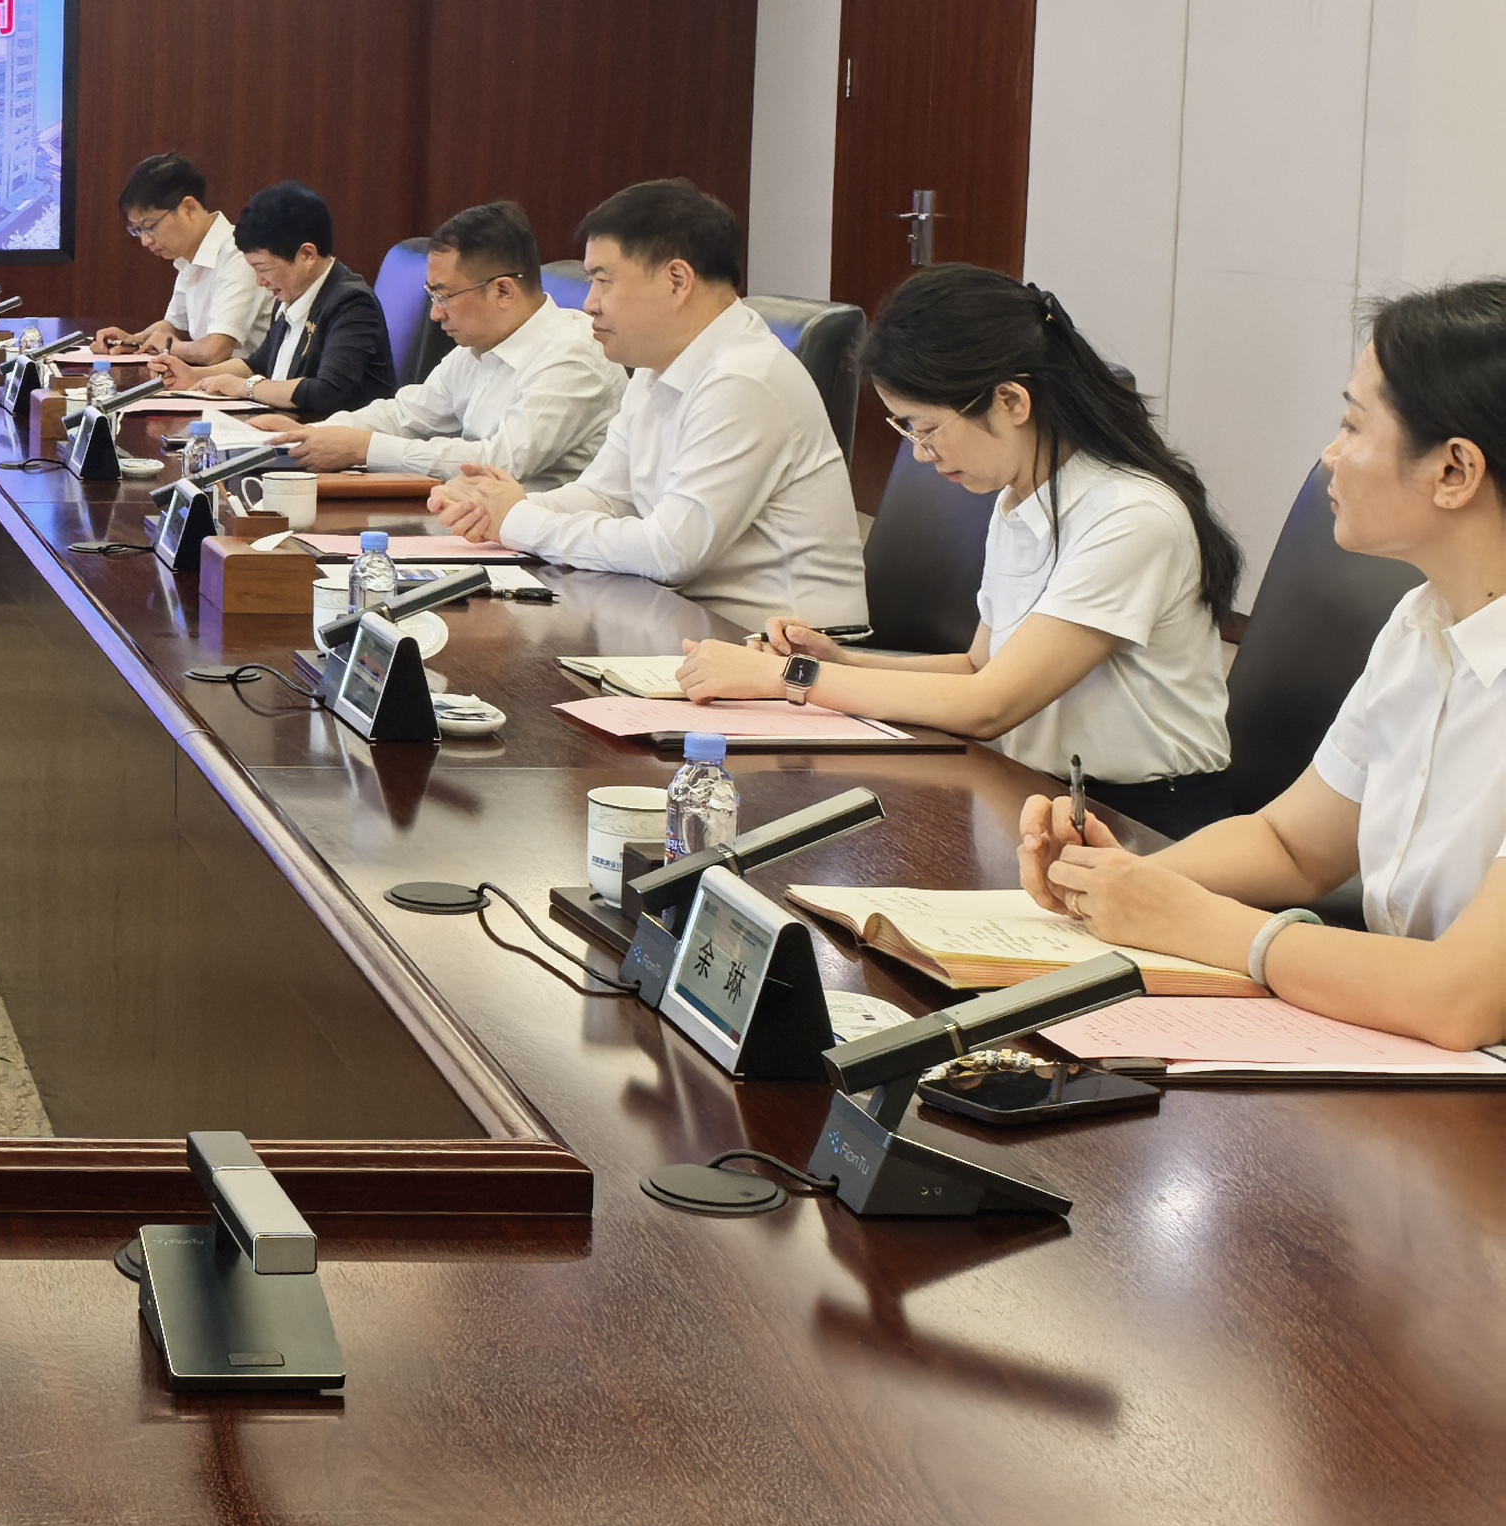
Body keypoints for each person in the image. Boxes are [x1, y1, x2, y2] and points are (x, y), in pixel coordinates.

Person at [1027, 283, 1506, 1052]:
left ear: (1455, 472)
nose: (1330, 456)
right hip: (1398, 1047)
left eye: (1353, 424)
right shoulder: (1421, 625)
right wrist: (1134, 882)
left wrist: (1212, 927)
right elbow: (1293, 845)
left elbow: (1461, 998)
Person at [676, 268, 1235, 820]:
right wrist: (843, 661)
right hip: (1032, 791)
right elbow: (977, 668)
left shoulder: (1131, 517)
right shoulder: (1019, 498)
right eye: (907, 431)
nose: (921, 453)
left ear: (1011, 401)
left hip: (1141, 819)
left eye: (927, 428)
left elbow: (989, 706)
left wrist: (783, 680)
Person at [428, 178, 865, 627]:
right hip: (683, 620)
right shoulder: (658, 365)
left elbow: (671, 552)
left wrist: (518, 520)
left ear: (678, 280)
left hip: (781, 645)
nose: (590, 304)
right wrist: (494, 507)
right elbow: (605, 495)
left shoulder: (744, 380)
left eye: (603, 281)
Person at [288, 199, 616, 485]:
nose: (435, 314)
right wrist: (315, 435)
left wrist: (364, 448)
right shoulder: (476, 348)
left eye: (444, 296)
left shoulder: (573, 356)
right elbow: (405, 415)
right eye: (431, 295)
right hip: (478, 517)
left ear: (503, 291)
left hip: (537, 532)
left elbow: (499, 463)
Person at [166, 183, 394, 418]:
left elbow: (326, 390)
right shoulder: (290, 296)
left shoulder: (351, 303)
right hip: (286, 426)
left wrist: (246, 388)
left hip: (329, 433)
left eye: (263, 269)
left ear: (307, 255)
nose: (260, 281)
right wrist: (195, 376)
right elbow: (257, 365)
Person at [91, 153, 264, 368]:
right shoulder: (189, 257)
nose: (145, 241)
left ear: (189, 208)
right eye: (137, 231)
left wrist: (168, 347)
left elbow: (215, 351)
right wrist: (133, 341)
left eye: (150, 226)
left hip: (247, 385)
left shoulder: (239, 254)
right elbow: (175, 326)